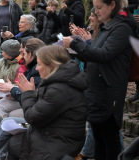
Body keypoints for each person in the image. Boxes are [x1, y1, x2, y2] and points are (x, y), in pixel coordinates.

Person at [0, 45, 88, 160]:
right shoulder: (57, 82)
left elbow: (33, 118)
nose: (37, 68)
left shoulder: (59, 89)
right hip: (49, 130)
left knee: (13, 142)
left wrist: (27, 93)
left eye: (39, 64)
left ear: (51, 66)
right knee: (7, 123)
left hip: (58, 139)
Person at [62, 0, 137, 159]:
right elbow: (96, 50)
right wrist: (86, 42)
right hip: (96, 92)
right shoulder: (107, 25)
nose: (95, 12)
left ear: (112, 5)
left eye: (99, 7)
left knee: (110, 141)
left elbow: (104, 54)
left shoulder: (122, 28)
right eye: (95, 7)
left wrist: (75, 44)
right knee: (99, 139)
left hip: (109, 93)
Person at [0, 38, 44, 118]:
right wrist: (11, 90)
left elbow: (32, 96)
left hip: (38, 108)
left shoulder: (36, 69)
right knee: (1, 103)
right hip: (31, 102)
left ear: (30, 54)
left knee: (9, 112)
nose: (21, 53)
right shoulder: (32, 67)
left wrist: (12, 89)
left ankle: (1, 128)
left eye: (24, 54)